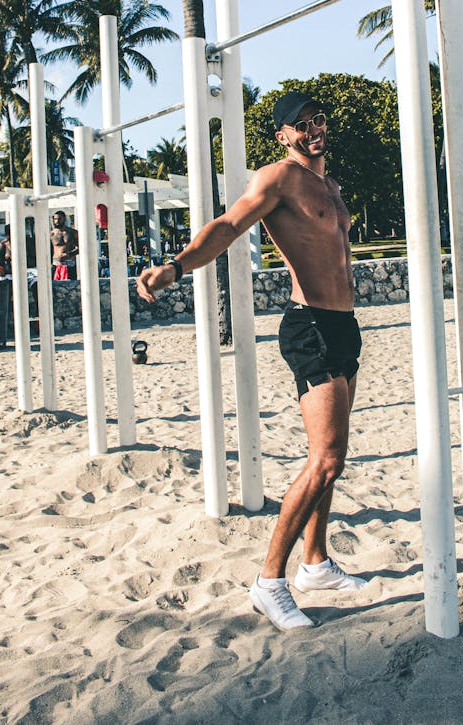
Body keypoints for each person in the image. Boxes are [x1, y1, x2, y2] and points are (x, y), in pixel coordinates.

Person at [137, 91, 368, 631]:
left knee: (332, 457)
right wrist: (174, 266)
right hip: (309, 324)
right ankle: (269, 581)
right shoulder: (277, 179)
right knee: (326, 459)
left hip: (343, 324)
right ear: (283, 135)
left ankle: (315, 563)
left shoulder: (330, 186)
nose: (313, 129)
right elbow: (228, 226)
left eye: (318, 119)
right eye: (301, 125)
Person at [50, 211, 79, 280]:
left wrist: (69, 254)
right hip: (56, 264)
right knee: (54, 287)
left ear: (64, 219)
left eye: (59, 219)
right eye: (55, 219)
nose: (57, 221)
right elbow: (49, 250)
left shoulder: (73, 232)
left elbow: (82, 247)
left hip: (70, 264)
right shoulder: (52, 233)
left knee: (70, 287)